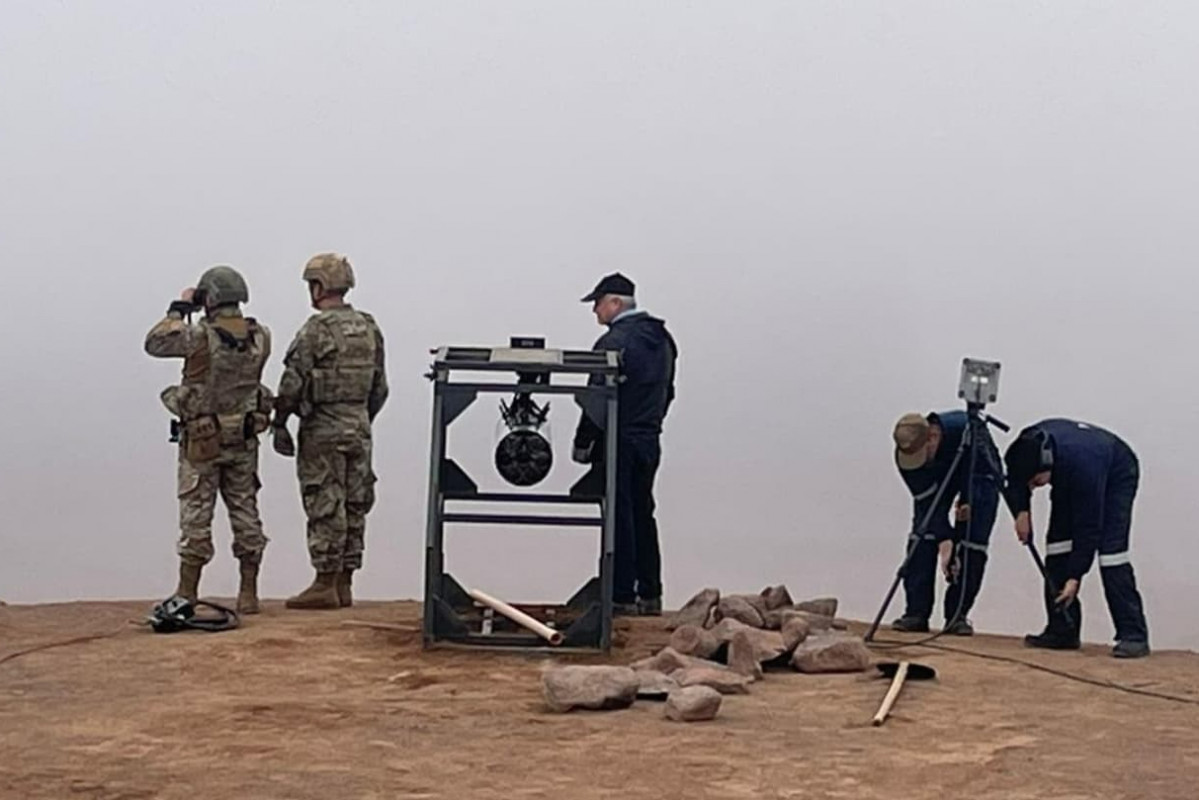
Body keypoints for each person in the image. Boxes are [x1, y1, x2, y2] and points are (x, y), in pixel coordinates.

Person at [144, 266, 273, 614]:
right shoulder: (261, 336)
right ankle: (248, 593)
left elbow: (155, 343)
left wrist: (179, 309)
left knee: (196, 514)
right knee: (245, 510)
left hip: (203, 440)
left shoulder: (199, 336)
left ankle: (186, 592)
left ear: (210, 298)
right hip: (243, 438)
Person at [273, 253, 389, 610]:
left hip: (322, 427)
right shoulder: (369, 327)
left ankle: (325, 582)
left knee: (324, 499)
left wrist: (280, 421)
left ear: (319, 286)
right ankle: (345, 582)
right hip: (359, 427)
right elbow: (380, 387)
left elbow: (292, 383)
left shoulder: (315, 330)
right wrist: (360, 418)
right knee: (355, 501)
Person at [572, 273, 678, 616]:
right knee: (643, 512)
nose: (595, 311)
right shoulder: (664, 340)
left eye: (598, 303)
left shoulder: (613, 342)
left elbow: (596, 399)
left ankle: (620, 597)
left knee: (619, 515)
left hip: (619, 439)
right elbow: (668, 392)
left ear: (616, 303)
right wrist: (651, 424)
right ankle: (650, 593)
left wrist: (583, 443)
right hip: (649, 438)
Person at [1004, 419, 1150, 658]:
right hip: (1069, 469)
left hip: (1116, 471)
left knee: (1112, 555)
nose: (1033, 487)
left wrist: (1075, 577)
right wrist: (1021, 511)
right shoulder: (1027, 444)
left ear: (1046, 465)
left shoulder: (1085, 469)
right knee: (1057, 547)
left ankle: (1133, 635)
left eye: (1036, 482)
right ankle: (1062, 631)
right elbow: (1016, 480)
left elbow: (1088, 527)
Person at [891, 410, 1002, 635]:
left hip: (978, 472)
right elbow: (927, 504)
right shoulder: (906, 453)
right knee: (922, 534)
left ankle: (957, 615)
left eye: (922, 455)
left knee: (973, 541)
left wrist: (968, 501)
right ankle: (916, 613)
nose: (918, 462)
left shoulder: (972, 433)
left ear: (932, 438)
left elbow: (990, 473)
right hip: (937, 476)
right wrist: (945, 540)